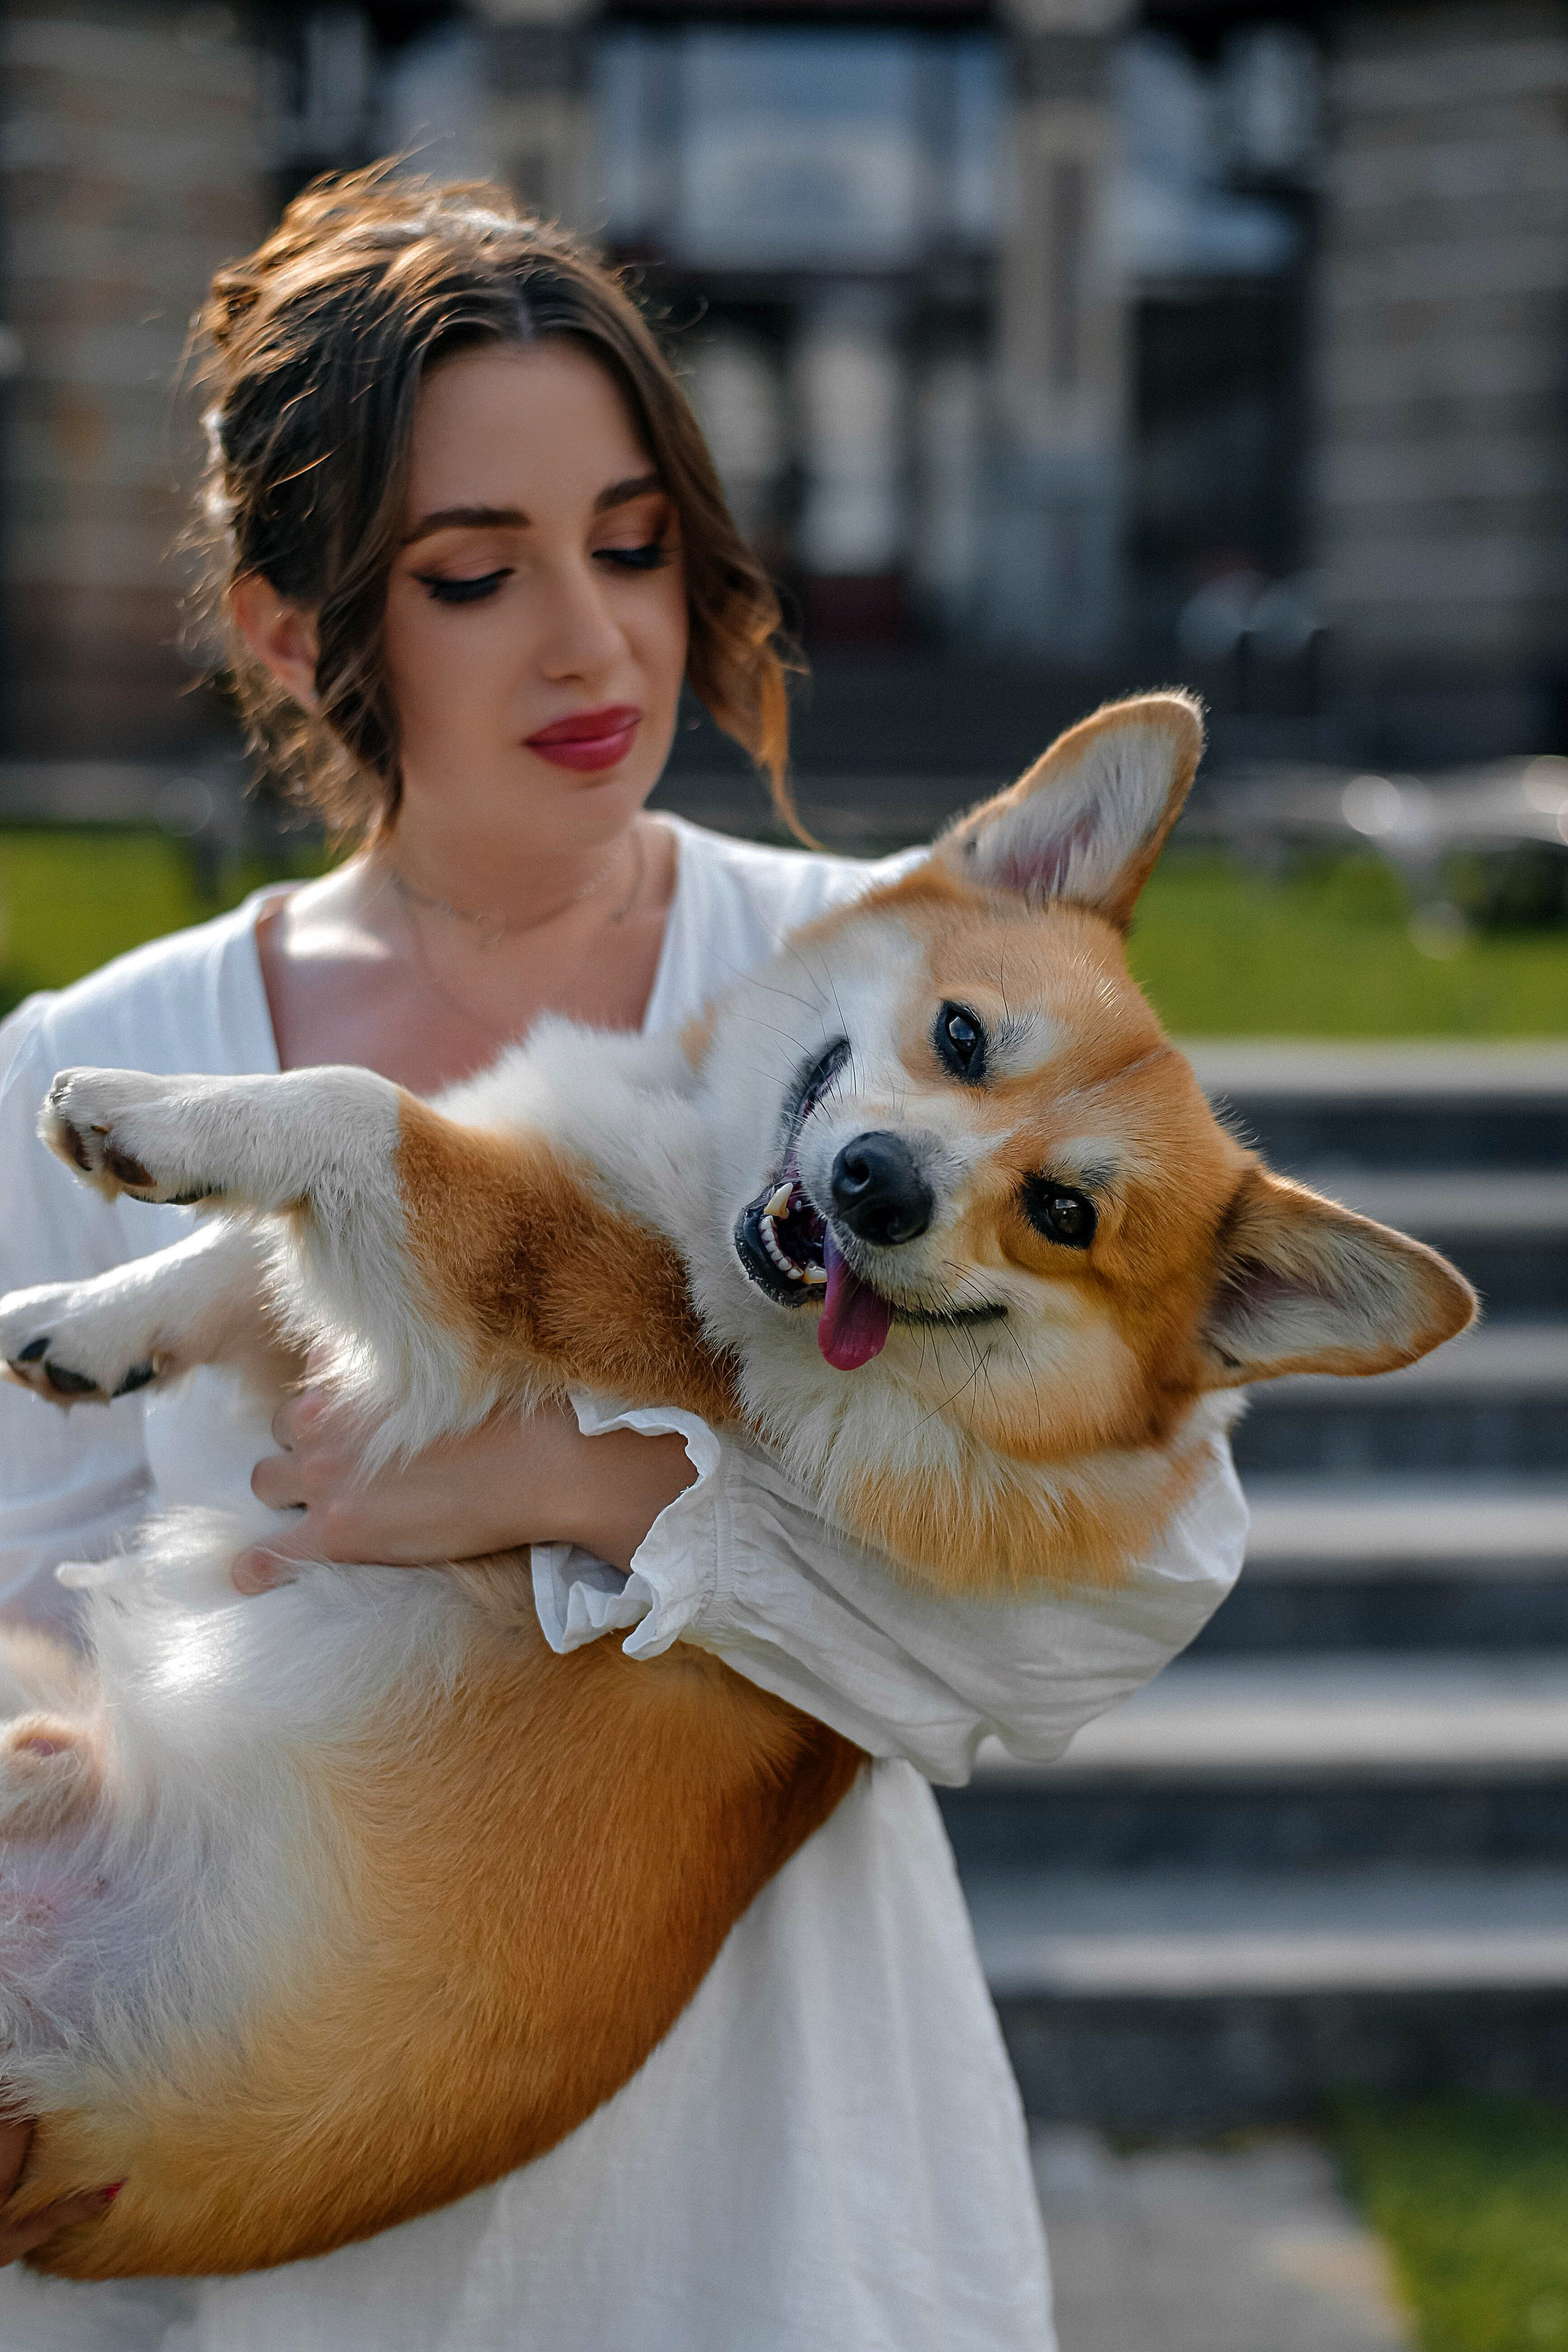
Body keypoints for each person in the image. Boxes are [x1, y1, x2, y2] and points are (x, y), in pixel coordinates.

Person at [0, 170, 1248, 2350]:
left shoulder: (889, 995)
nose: (596, 642)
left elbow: (1111, 1604)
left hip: (769, 2214)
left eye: (637, 541)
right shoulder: (100, 1066)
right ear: (298, 633)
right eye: (477, 575)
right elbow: (27, 1590)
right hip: (272, 2165)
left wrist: (600, 1493)